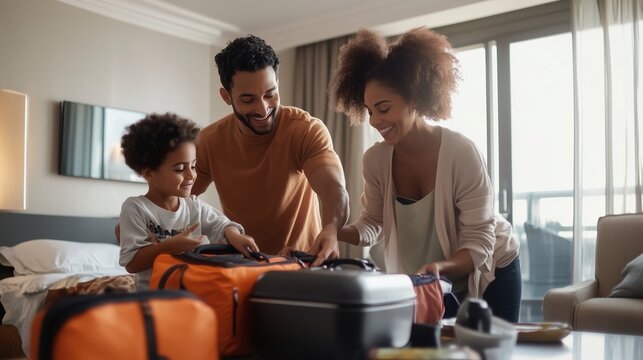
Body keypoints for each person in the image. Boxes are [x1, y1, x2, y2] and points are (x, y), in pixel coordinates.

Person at [329, 27, 521, 322]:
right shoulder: (376, 160)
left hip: (491, 269)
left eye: (384, 108)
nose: (375, 121)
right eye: (370, 111)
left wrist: (439, 268)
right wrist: (333, 232)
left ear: (415, 99)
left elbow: (479, 243)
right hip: (433, 277)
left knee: (489, 352)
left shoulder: (461, 152)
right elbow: (374, 222)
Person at [192, 35, 349, 266]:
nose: (262, 108)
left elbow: (334, 190)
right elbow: (177, 200)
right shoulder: (209, 141)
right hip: (243, 267)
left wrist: (331, 229)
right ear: (227, 96)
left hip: (302, 265)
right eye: (248, 99)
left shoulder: (305, 130)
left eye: (270, 94)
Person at [118, 113, 259, 290]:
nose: (191, 175)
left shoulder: (194, 206)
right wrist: (170, 246)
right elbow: (132, 263)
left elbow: (221, 225)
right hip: (153, 297)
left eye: (193, 166)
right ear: (149, 173)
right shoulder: (136, 208)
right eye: (179, 169)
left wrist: (234, 235)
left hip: (192, 296)